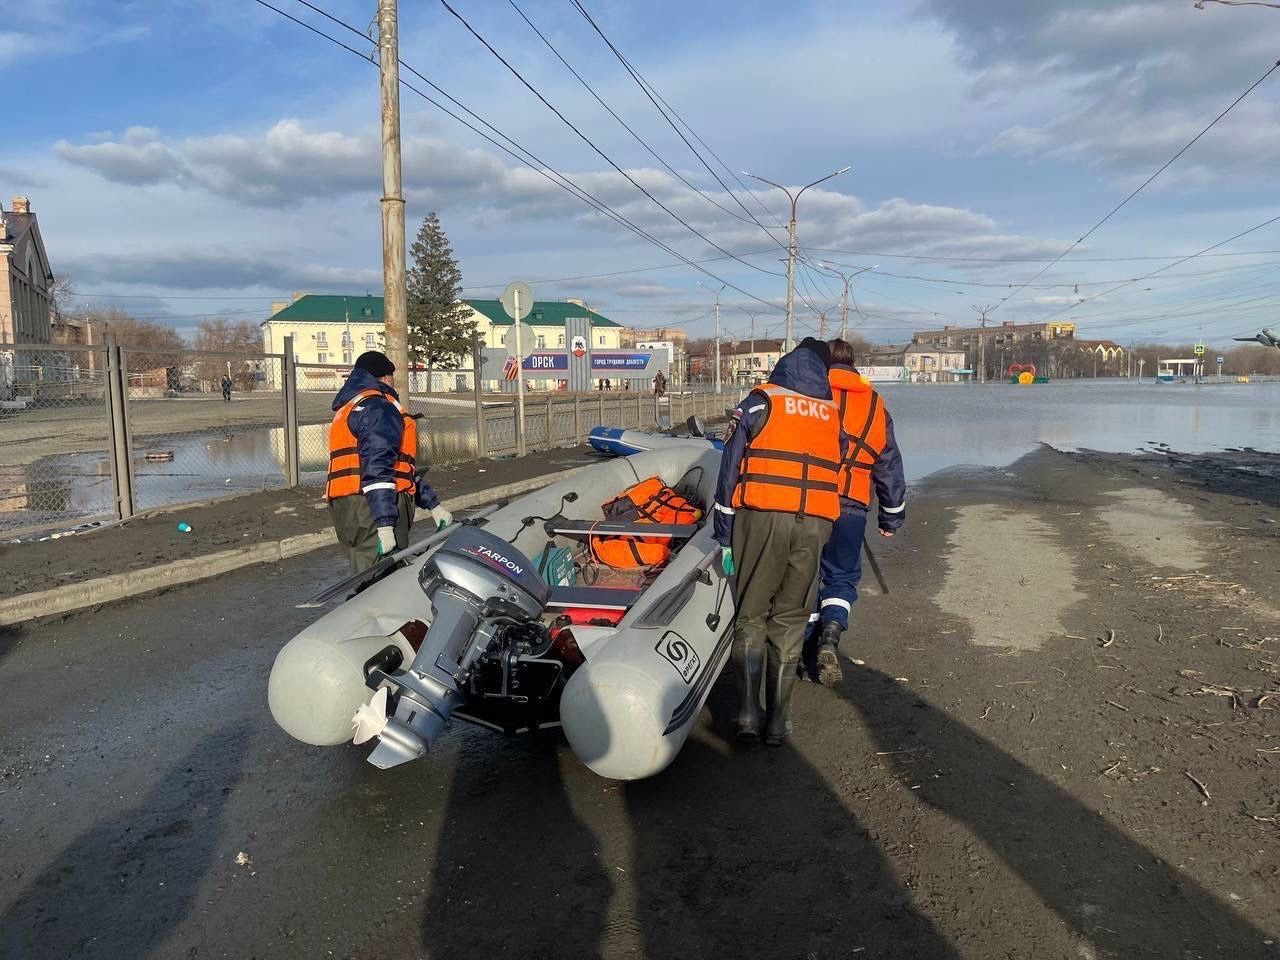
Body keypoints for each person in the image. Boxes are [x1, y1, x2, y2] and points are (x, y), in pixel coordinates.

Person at [713, 337, 846, 745]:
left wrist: (724, 532)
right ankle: (779, 721)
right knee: (790, 621)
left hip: (763, 516)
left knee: (751, 616)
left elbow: (730, 464)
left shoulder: (760, 400)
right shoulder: (830, 412)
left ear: (784, 366)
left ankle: (749, 715)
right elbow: (835, 465)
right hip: (815, 523)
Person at [802, 339, 906, 686]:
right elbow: (888, 463)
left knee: (804, 576)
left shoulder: (809, 396)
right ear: (855, 365)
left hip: (809, 501)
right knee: (841, 578)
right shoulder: (876, 404)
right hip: (853, 505)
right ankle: (830, 635)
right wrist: (890, 516)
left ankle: (803, 649)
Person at [325, 351, 452, 574]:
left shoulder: (352, 405)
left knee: (366, 570)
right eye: (391, 375)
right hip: (373, 508)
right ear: (385, 377)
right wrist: (384, 524)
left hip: (348, 507)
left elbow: (396, 467)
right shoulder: (379, 408)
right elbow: (379, 470)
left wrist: (433, 505)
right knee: (379, 580)